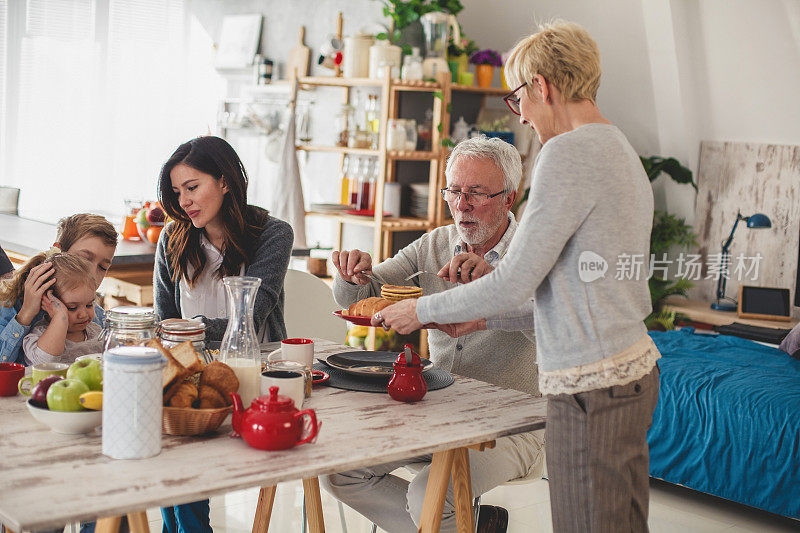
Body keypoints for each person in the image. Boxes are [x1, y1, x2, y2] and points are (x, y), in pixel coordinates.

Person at [377, 21, 661, 533]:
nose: (523, 115)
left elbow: (515, 281)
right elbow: (569, 289)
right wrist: (481, 320)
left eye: (519, 98)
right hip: (626, 372)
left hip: (589, 383)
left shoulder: (568, 152)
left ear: (542, 86)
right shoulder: (616, 146)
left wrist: (417, 310)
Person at [321, 136, 544, 533]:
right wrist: (351, 273)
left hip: (512, 425)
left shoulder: (535, 253)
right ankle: (470, 526)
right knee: (341, 473)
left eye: (476, 193)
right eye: (454, 191)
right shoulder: (435, 243)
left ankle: (453, 523)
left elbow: (551, 329)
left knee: (429, 494)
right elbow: (370, 293)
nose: (462, 204)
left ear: (509, 198)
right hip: (437, 409)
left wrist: (498, 289)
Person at [154, 135, 293, 533]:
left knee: (186, 453)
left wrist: (189, 329)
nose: (184, 201)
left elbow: (253, 312)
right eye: (178, 192)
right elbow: (165, 319)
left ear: (226, 181)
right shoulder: (173, 238)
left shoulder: (273, 234)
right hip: (191, 370)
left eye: (193, 187)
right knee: (176, 441)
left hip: (254, 372)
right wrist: (186, 338)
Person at [0, 214, 118, 364]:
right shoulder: (10, 302)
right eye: (84, 259)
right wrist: (25, 314)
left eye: (102, 267)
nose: (93, 274)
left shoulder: (94, 315)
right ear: (57, 251)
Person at [15, 253, 104, 364]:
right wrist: (60, 317)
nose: (83, 315)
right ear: (47, 302)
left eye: (89, 305)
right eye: (72, 307)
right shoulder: (39, 335)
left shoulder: (96, 332)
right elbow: (47, 362)